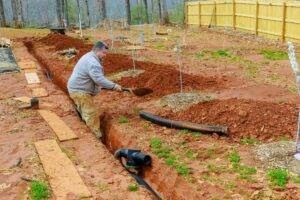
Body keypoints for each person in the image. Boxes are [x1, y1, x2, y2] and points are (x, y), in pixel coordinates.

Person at [67, 41, 124, 140]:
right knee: (91, 114)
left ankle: (85, 124)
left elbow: (95, 79)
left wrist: (105, 86)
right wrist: (114, 86)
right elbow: (99, 79)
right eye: (104, 53)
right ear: (97, 51)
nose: (105, 55)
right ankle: (95, 138)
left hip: (76, 88)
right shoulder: (93, 63)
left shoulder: (90, 56)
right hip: (80, 91)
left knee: (85, 112)